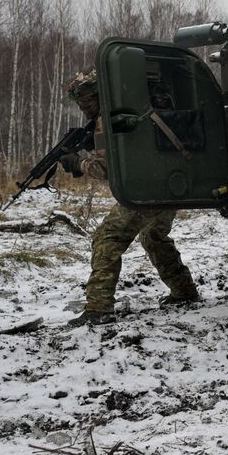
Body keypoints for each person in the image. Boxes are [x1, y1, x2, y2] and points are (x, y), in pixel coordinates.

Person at [62, 70, 199, 325]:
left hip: (147, 189)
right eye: (80, 104)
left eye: (87, 101)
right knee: (154, 236)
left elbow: (104, 169)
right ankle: (185, 291)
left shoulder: (108, 117)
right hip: (172, 182)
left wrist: (78, 163)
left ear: (99, 95)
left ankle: (99, 307)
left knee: (108, 238)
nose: (84, 108)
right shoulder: (140, 106)